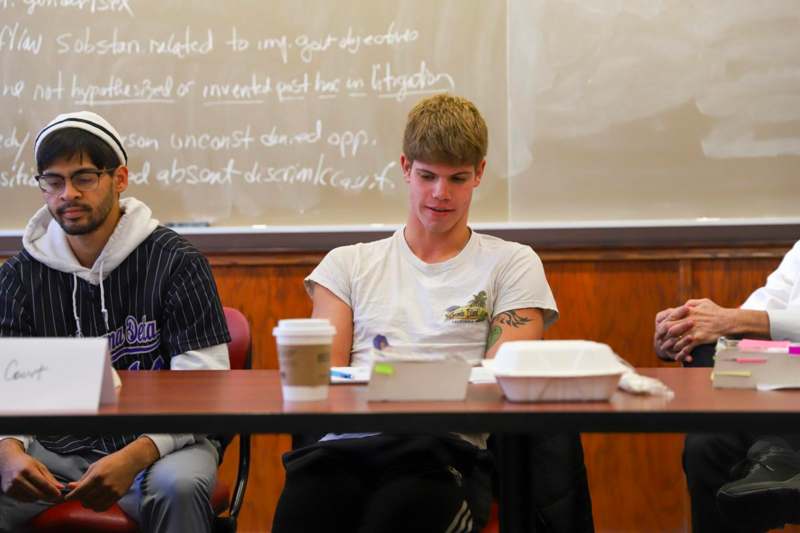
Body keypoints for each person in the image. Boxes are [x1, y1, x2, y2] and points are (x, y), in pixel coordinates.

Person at [271, 94, 561, 533]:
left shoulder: (512, 263)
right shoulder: (346, 265)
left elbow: (503, 382)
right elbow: (324, 382)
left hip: (445, 451)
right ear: (406, 167)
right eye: (427, 176)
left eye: (457, 178)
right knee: (305, 504)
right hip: (347, 446)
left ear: (479, 173)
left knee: (401, 510)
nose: (441, 194)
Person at [0, 111, 231, 533]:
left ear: (119, 178)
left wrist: (137, 454)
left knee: (179, 486)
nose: (68, 194)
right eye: (53, 181)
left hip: (163, 445)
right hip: (52, 446)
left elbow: (206, 387)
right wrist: (7, 450)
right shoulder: (18, 277)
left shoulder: (177, 262)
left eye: (84, 178)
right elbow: (8, 386)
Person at [654, 241, 800, 532]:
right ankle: (775, 449)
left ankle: (778, 449)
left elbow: (743, 320)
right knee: (707, 443)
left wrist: (730, 320)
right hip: (785, 384)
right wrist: (684, 330)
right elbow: (754, 314)